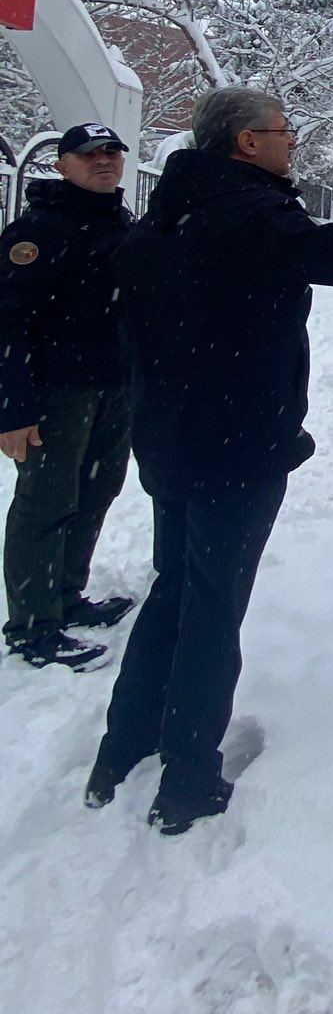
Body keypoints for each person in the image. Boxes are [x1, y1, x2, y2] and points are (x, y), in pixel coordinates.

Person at [85, 88, 333, 835]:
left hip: (172, 443)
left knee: (174, 590)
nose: (293, 142)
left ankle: (122, 748)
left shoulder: (162, 216)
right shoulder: (249, 215)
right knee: (213, 607)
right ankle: (187, 781)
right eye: (283, 132)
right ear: (247, 143)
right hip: (235, 446)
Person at [0, 122, 136, 671]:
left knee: (97, 490)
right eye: (89, 154)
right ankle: (33, 626)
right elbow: (6, 323)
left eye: (112, 152)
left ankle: (66, 596)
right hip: (57, 393)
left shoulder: (123, 223)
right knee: (47, 502)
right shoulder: (39, 232)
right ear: (62, 164)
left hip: (115, 386)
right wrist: (12, 409)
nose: (104, 161)